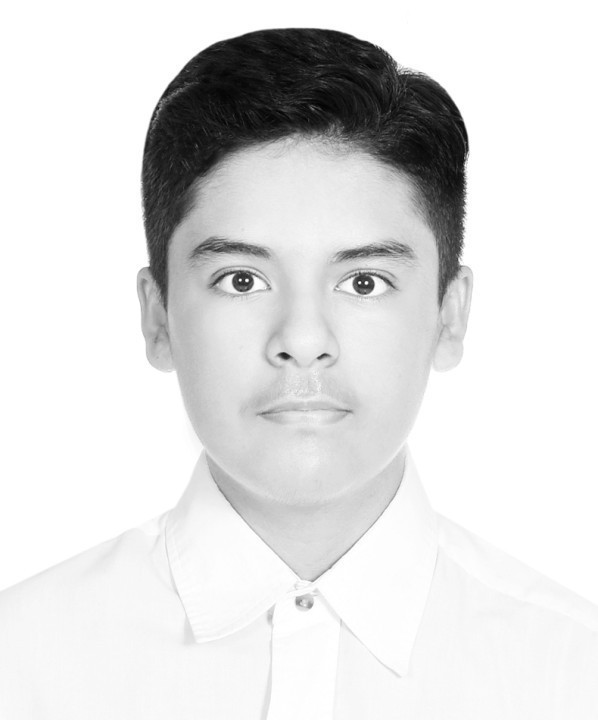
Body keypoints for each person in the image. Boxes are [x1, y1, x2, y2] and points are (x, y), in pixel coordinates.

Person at [0, 27, 596, 720]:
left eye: (365, 282)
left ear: (450, 314)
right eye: (242, 279)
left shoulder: (572, 672)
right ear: (158, 316)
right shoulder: (22, 664)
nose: (303, 341)